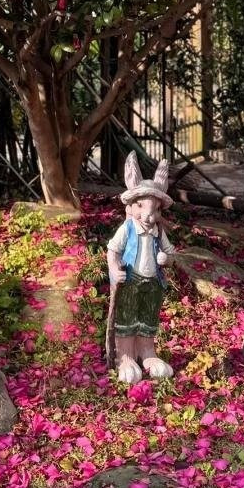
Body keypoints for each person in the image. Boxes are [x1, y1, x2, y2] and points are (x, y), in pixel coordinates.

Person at [106, 153, 175, 382]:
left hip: (153, 281)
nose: (149, 215)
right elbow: (112, 251)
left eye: (155, 209)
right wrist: (115, 270)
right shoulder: (126, 229)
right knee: (126, 317)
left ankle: (147, 352)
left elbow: (171, 253)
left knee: (148, 317)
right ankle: (124, 356)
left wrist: (167, 258)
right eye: (141, 206)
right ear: (132, 206)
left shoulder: (159, 231)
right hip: (131, 279)